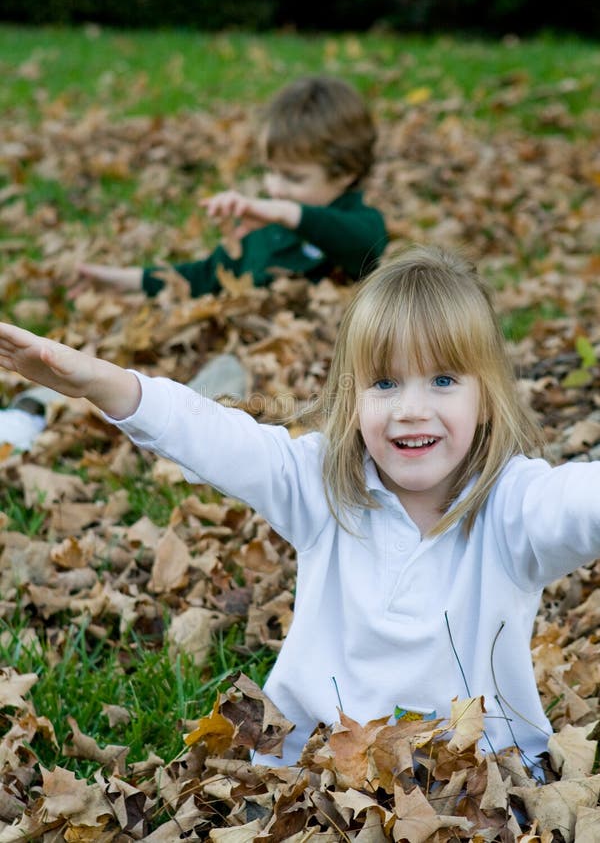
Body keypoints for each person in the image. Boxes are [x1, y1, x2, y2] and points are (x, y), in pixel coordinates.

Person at [0, 247, 595, 778]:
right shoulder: (321, 485)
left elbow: (578, 502)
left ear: (487, 396)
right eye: (384, 384)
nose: (412, 409)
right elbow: (218, 438)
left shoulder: (514, 508)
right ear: (351, 396)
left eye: (443, 380)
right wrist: (101, 383)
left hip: (476, 782)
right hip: (319, 776)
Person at [74, 75, 387, 298]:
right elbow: (206, 276)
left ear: (346, 172)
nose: (275, 188)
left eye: (294, 178)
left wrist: (286, 212)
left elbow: (361, 245)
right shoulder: (261, 231)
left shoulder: (360, 223)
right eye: (270, 172)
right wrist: (123, 281)